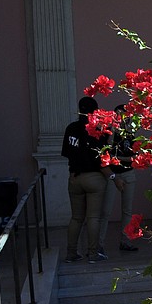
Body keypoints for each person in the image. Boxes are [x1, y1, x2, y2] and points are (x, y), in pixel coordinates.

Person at [61, 96, 110, 263]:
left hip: (74, 177)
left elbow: (67, 153)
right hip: (94, 177)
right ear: (95, 111)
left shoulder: (71, 128)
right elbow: (101, 157)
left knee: (76, 218)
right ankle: (93, 253)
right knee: (93, 218)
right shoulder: (97, 129)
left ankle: (71, 253)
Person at [97, 104, 139, 253]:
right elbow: (105, 154)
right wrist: (113, 132)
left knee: (127, 210)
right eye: (119, 116)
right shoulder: (108, 133)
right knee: (106, 211)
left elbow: (134, 158)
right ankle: (99, 244)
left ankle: (125, 241)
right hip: (112, 175)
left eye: (125, 116)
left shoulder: (131, 135)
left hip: (128, 173)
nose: (122, 119)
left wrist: (118, 158)